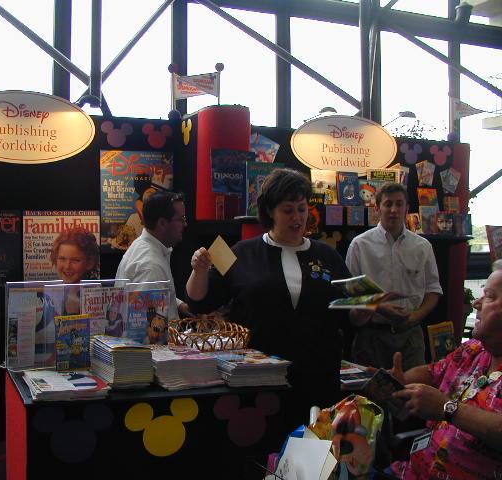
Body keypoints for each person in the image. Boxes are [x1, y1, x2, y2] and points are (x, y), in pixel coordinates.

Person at [186, 168, 351, 416]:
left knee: (316, 439)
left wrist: (368, 308)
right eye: (288, 210)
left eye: (302, 209)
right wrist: (198, 271)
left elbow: (347, 311)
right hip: (257, 380)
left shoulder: (328, 255)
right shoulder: (240, 252)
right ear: (270, 211)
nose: (297, 218)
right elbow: (199, 302)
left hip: (319, 378)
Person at [387, 267, 502, 479]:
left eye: (489, 296)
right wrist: (401, 380)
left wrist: (447, 408)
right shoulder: (473, 348)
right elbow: (433, 372)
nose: (476, 303)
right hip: (409, 472)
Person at [346, 182, 442, 371]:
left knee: (411, 389)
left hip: (411, 337)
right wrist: (380, 307)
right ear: (377, 208)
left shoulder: (422, 247)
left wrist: (416, 316)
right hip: (371, 336)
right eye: (388, 204)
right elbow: (350, 295)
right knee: (369, 390)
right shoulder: (359, 245)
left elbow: (433, 291)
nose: (393, 210)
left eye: (399, 204)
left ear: (407, 208)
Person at [115, 191, 191, 322]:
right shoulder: (150, 266)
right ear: (162, 223)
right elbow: (145, 325)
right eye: (181, 219)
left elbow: (150, 295)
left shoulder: (145, 247)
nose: (185, 224)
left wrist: (179, 305)